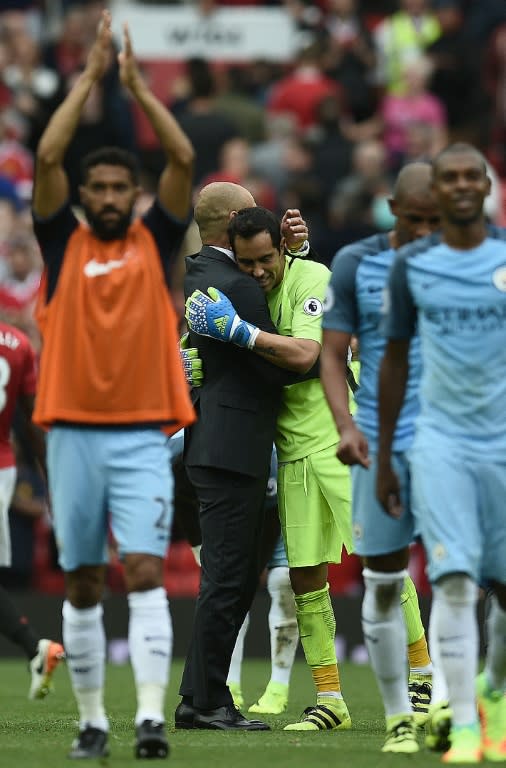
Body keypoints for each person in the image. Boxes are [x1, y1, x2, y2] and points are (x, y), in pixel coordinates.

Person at [31, 11, 195, 760]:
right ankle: (93, 719)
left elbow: (184, 157)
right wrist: (90, 77)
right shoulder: (62, 241)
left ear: (132, 194)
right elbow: (48, 153)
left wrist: (135, 85)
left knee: (142, 571)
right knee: (86, 582)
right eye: (93, 186)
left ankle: (151, 719)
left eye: (116, 187)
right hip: (69, 434)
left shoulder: (153, 242)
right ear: (82, 194)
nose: (102, 195)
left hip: (138, 434)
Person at [185, 205, 354, 733]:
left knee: (374, 566)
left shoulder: (291, 275)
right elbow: (281, 357)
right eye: (249, 262)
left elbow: (303, 352)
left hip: (312, 441)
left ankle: (420, 685)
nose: (258, 271)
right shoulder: (228, 284)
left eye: (268, 260)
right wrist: (194, 355)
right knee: (267, 580)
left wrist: (231, 338)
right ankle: (221, 700)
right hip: (259, 449)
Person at [376, 143, 506, 764]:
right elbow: (395, 360)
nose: (458, 186)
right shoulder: (414, 268)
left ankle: (492, 696)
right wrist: (382, 457)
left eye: (467, 177)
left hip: (503, 444)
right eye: (447, 177)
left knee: (504, 589)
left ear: (484, 185)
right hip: (441, 443)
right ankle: (463, 730)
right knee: (454, 583)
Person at [175, 182, 307, 731]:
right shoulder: (238, 286)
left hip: (215, 444)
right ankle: (203, 702)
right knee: (228, 580)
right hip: (235, 449)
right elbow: (279, 370)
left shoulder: (200, 274)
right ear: (234, 220)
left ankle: (204, 697)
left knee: (226, 578)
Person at [319, 162, 440, 754]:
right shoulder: (355, 264)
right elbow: (332, 353)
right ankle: (398, 717)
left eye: (433, 220)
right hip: (378, 441)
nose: (421, 230)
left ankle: (462, 703)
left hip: (451, 442)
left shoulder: (474, 262)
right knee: (385, 581)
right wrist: (346, 424)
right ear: (392, 207)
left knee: (467, 577)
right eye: (412, 218)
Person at [169, 429, 299, 715]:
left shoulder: (274, 454)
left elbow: (269, 512)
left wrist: (253, 569)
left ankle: (278, 687)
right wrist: (198, 547)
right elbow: (180, 499)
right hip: (226, 513)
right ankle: (229, 683)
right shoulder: (175, 454)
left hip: (281, 508)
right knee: (228, 588)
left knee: (282, 582)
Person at [0, 319, 64, 700]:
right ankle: (35, 648)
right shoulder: (18, 343)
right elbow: (35, 416)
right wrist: (53, 476)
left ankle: (34, 647)